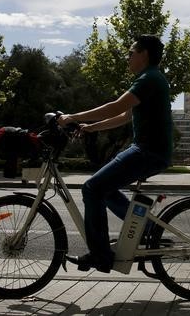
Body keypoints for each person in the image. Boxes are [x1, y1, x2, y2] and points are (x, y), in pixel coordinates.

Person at [57, 34, 173, 273]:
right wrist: (90, 127)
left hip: (148, 152)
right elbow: (124, 116)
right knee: (104, 189)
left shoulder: (149, 78)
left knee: (92, 188)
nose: (127, 57)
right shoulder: (149, 79)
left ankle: (100, 255)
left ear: (144, 54)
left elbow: (116, 106)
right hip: (148, 150)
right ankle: (148, 230)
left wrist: (73, 117)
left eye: (131, 52)